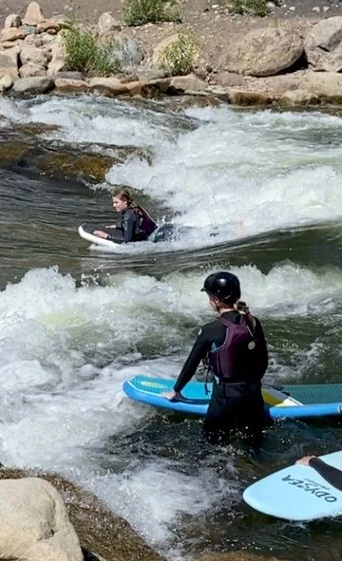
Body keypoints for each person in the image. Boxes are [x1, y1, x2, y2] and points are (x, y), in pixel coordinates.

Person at [165, 271, 269, 445]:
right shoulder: (253, 322)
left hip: (225, 399)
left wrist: (176, 391)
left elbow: (191, 364)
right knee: (253, 445)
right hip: (253, 397)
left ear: (216, 299)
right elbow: (263, 361)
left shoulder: (210, 329)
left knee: (212, 446)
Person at [83, 189, 157, 244]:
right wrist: (117, 226)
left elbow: (127, 240)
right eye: (113, 202)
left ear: (125, 201)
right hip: (153, 232)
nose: (113, 205)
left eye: (116, 202)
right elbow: (135, 224)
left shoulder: (128, 215)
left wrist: (106, 236)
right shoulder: (135, 207)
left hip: (149, 238)